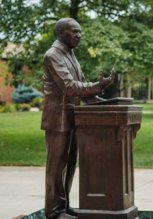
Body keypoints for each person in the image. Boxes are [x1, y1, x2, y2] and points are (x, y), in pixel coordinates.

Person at [41, 18, 115, 219]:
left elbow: (82, 87)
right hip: (58, 119)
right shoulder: (52, 55)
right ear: (61, 33)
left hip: (74, 117)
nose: (78, 36)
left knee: (70, 163)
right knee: (56, 166)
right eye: (74, 32)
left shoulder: (70, 55)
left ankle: (64, 206)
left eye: (80, 32)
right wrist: (98, 86)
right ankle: (53, 211)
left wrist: (104, 101)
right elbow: (70, 86)